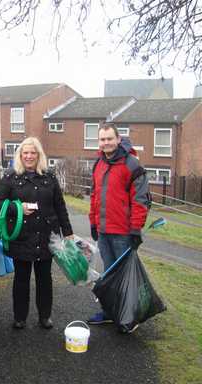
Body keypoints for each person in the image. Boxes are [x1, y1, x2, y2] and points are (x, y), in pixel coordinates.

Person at [0, 137, 73, 330]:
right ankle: (20, 317)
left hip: (47, 236)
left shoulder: (49, 176)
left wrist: (68, 232)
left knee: (44, 278)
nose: (29, 156)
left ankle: (44, 316)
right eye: (25, 153)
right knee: (21, 279)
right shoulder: (11, 177)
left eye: (33, 153)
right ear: (20, 155)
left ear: (39, 155)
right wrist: (16, 208)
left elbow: (60, 206)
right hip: (21, 236)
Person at [87, 123, 150, 333]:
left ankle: (128, 318)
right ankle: (109, 312)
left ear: (118, 139)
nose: (106, 143)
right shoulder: (99, 164)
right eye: (102, 139)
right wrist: (93, 223)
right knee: (109, 275)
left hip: (123, 232)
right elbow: (95, 196)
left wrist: (135, 229)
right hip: (104, 232)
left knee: (125, 277)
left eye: (109, 139)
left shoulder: (132, 164)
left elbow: (140, 200)